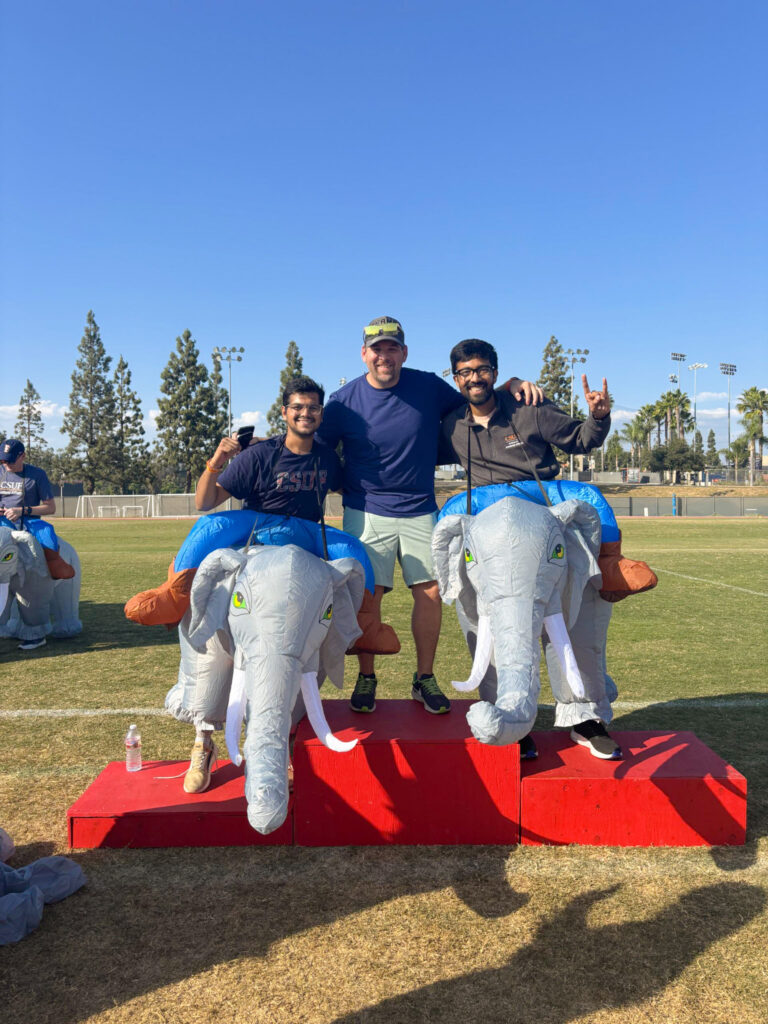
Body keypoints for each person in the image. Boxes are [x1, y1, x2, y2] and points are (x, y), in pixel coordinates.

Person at [440, 338, 656, 759]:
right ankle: (508, 714)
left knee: (589, 503)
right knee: (459, 549)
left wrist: (598, 415)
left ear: (495, 372)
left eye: (482, 369)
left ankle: (586, 713)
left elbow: (581, 439)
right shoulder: (450, 424)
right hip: (487, 509)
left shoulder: (527, 409)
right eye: (465, 372)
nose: (474, 378)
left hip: (541, 503)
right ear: (456, 378)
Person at [317, 316, 543, 716]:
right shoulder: (343, 402)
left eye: (392, 348)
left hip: (422, 508)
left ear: (404, 352)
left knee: (431, 593)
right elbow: (320, 452)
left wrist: (510, 384)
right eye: (376, 349)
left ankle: (424, 678)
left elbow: (477, 397)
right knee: (369, 596)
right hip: (365, 510)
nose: (384, 356)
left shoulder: (428, 386)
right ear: (364, 354)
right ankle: (366, 677)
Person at [0, 439, 74, 580]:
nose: (6, 464)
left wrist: (22, 511)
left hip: (30, 521)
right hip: (3, 521)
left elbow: (50, 507)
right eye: (3, 461)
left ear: (23, 456)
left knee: (47, 533)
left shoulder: (37, 474)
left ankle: (53, 566)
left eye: (10, 460)